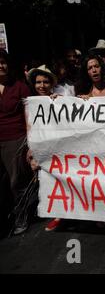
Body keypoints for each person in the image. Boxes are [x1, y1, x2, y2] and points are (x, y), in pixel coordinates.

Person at [0, 49, 33, 235]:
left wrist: (29, 142)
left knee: (16, 182)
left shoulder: (20, 87)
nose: (0, 65)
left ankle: (21, 215)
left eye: (3, 61)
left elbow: (29, 117)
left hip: (15, 138)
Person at [26, 65, 62, 231]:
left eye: (45, 82)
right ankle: (57, 214)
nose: (42, 86)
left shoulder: (60, 100)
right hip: (42, 148)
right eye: (38, 82)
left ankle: (68, 213)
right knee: (47, 181)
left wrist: (60, 101)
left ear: (51, 84)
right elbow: (29, 127)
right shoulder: (31, 104)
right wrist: (31, 150)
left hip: (61, 148)